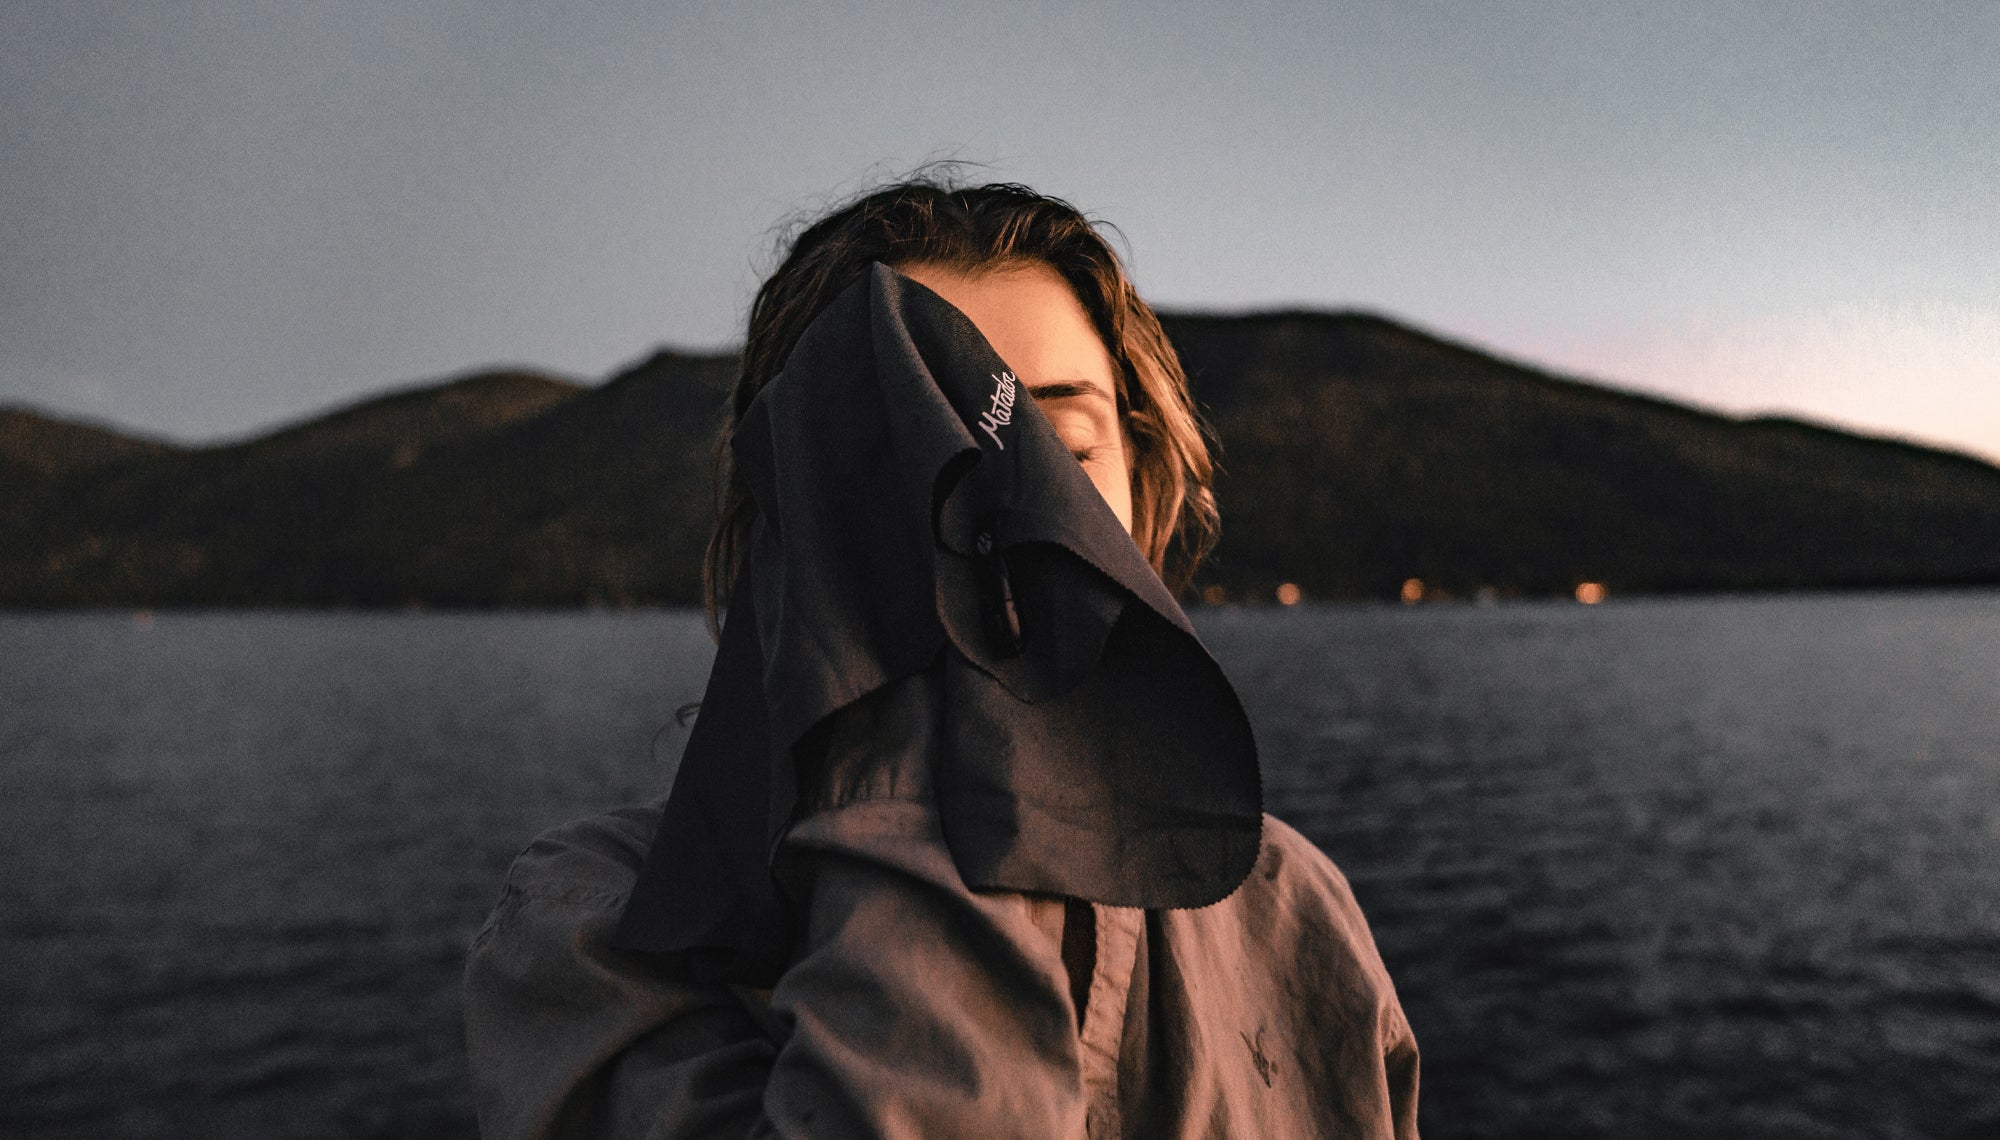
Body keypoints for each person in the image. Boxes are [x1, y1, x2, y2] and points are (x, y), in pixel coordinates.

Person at [463, 177, 1420, 1138]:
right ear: (797, 521)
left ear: (1146, 491)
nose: (1003, 505)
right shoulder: (591, 925)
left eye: (1064, 449)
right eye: (915, 447)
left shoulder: (1290, 906)